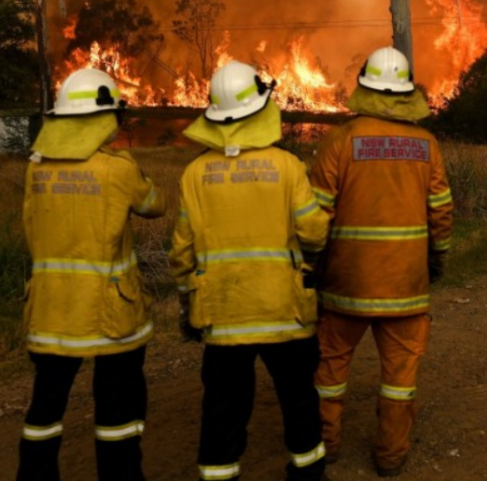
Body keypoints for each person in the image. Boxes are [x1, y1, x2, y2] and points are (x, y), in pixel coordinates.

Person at [169, 60, 330, 481]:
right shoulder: (287, 167)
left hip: (223, 315)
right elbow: (313, 232)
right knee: (299, 402)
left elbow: (182, 252)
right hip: (285, 313)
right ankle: (308, 475)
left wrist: (188, 302)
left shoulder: (194, 174)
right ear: (261, 110)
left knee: (223, 409)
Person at [309, 46, 454, 477]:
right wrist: (437, 260)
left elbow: (316, 217)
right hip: (406, 286)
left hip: (345, 285)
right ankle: (390, 455)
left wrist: (311, 267)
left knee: (331, 370)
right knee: (399, 379)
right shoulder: (427, 146)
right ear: (406, 93)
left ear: (365, 90)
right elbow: (441, 213)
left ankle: (326, 445)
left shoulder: (339, 141)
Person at [18, 67, 165, 481]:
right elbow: (155, 204)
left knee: (45, 409)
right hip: (111, 314)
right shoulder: (118, 169)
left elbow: (31, 227)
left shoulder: (36, 169)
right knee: (119, 412)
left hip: (51, 310)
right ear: (106, 119)